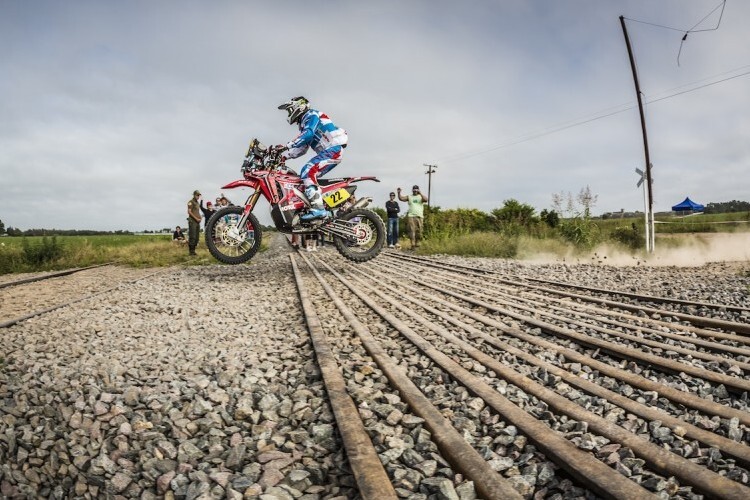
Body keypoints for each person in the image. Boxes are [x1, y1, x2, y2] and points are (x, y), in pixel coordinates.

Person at [277, 96, 348, 221]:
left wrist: (285, 146)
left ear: (299, 107)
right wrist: (284, 156)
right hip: (330, 150)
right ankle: (318, 206)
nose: (289, 113)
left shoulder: (311, 115)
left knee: (308, 171)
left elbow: (308, 133)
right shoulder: (306, 121)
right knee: (304, 176)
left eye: (290, 110)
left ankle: (319, 209)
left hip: (333, 149)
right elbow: (302, 148)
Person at [398, 185, 428, 249]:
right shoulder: (409, 197)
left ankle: (418, 243)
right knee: (412, 231)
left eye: (416, 189)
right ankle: (413, 245)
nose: (415, 191)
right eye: (414, 189)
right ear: (412, 190)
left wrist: (420, 193)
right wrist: (399, 193)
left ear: (418, 190)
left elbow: (426, 200)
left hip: (419, 216)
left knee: (419, 230)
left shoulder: (421, 197)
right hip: (411, 216)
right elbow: (401, 198)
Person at [187, 190, 202, 256]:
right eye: (197, 195)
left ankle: (194, 251)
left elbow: (197, 211)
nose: (198, 196)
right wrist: (196, 218)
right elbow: (189, 212)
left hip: (197, 222)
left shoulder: (197, 203)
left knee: (197, 237)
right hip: (192, 221)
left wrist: (200, 217)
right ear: (194, 195)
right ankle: (191, 252)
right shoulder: (191, 202)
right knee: (192, 237)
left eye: (199, 195)